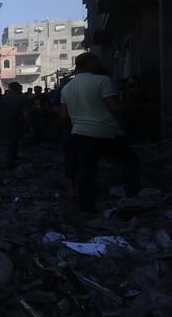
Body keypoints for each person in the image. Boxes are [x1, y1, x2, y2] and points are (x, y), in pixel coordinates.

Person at [59, 52, 140, 212]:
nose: (99, 64)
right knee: (129, 162)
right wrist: (131, 103)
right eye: (97, 61)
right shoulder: (102, 80)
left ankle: (86, 206)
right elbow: (115, 107)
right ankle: (133, 195)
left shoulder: (66, 88)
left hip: (79, 132)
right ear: (89, 63)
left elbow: (63, 115)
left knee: (86, 168)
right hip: (106, 130)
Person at [0, 82, 29, 169]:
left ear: (10, 89)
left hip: (5, 124)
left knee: (8, 143)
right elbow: (25, 114)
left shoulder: (3, 99)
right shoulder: (23, 99)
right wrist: (28, 125)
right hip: (17, 124)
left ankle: (9, 160)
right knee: (14, 143)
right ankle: (11, 161)